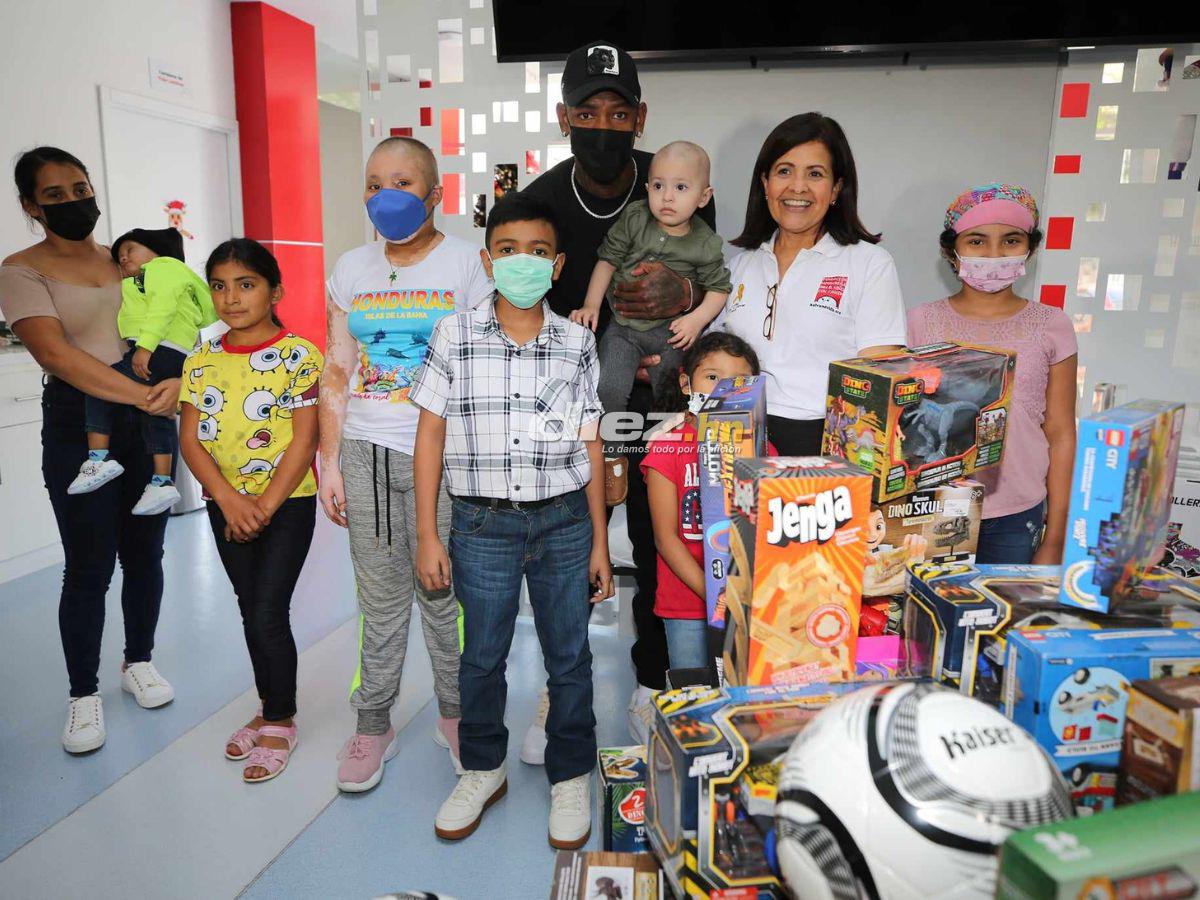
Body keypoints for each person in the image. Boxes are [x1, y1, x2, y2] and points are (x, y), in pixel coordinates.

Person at [522, 40, 717, 748]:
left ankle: (655, 681)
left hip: (660, 394)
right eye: (586, 111)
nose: (602, 125)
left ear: (640, 117)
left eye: (617, 111)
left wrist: (673, 337)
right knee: (568, 540)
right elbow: (522, 306)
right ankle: (557, 686)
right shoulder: (539, 201)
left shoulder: (671, 180)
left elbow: (701, 282)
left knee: (660, 532)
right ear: (564, 115)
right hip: (569, 403)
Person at [412, 193, 614, 849]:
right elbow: (430, 435)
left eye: (536, 252)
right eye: (507, 250)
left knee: (570, 659)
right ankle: (482, 768)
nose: (521, 262)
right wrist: (426, 533)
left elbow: (590, 441)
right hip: (481, 526)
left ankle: (568, 775)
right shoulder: (454, 334)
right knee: (481, 659)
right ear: (486, 259)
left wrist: (600, 544)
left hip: (563, 524)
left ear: (556, 267)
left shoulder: (578, 342)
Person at [319, 136, 492, 793]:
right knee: (380, 600)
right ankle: (373, 722)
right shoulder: (351, 267)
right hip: (364, 449)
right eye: (373, 183)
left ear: (434, 195)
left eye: (400, 182)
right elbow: (338, 364)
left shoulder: (466, 265)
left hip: (442, 456)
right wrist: (328, 460)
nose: (384, 195)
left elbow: (481, 368)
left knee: (446, 598)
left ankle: (456, 714)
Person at [0, 147, 179, 753]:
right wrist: (138, 393)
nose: (75, 202)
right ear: (30, 206)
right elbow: (55, 354)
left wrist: (176, 382)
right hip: (82, 424)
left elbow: (177, 320)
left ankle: (139, 662)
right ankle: (82, 695)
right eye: (55, 196)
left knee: (148, 552)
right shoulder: (22, 269)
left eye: (80, 188)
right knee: (88, 565)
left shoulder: (126, 260)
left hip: (148, 418)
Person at [178, 239, 321, 782]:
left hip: (287, 504)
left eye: (246, 284)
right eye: (219, 285)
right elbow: (191, 441)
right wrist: (231, 500)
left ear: (274, 291)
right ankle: (268, 705)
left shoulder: (298, 355)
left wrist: (261, 504)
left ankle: (280, 720)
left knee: (266, 609)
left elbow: (304, 440)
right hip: (227, 507)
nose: (231, 297)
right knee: (250, 608)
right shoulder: (202, 358)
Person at [907, 183, 1077, 564]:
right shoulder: (921, 322)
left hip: (1018, 512)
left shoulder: (1052, 325)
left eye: (1011, 240)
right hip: (935, 505)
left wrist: (1057, 537)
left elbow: (1061, 432)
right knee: (932, 618)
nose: (994, 254)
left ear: (1030, 248)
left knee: (1002, 618)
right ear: (951, 251)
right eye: (978, 241)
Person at [719, 113, 906, 455]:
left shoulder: (869, 264)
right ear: (765, 183)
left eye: (815, 174)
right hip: (738, 438)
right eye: (784, 171)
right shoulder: (739, 266)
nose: (798, 187)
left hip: (827, 446)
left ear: (836, 189)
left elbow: (880, 380)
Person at [572, 141, 731, 499]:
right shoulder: (634, 218)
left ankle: (672, 462)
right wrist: (591, 304)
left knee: (672, 398)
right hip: (624, 330)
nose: (667, 197)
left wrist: (696, 321)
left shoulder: (705, 243)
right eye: (658, 186)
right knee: (609, 387)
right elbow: (608, 260)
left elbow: (719, 288)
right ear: (647, 189)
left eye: (681, 187)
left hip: (670, 336)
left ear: (704, 197)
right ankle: (612, 461)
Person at [71, 227, 216, 515]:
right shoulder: (157, 276)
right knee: (155, 409)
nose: (123, 258)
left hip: (158, 347)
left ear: (155, 250)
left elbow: (162, 308)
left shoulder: (162, 268)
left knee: (99, 387)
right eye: (120, 255)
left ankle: (98, 458)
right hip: (173, 351)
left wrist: (146, 346)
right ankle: (161, 482)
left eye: (130, 250)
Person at [641, 332, 762, 671]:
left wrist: (737, 597)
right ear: (685, 384)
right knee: (692, 692)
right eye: (712, 378)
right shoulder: (667, 445)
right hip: (686, 604)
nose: (723, 390)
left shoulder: (759, 447)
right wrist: (714, 594)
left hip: (746, 602)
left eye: (737, 381)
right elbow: (665, 538)